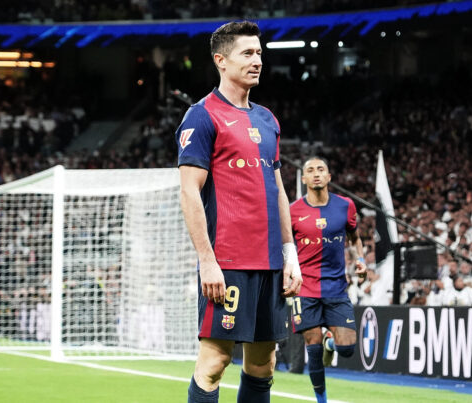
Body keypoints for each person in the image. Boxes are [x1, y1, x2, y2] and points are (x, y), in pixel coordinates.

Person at [176, 21, 302, 403]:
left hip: (269, 262)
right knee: (215, 361)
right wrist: (207, 261)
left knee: (263, 363)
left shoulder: (268, 120)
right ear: (221, 60)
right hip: (228, 261)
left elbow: (278, 190)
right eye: (247, 53)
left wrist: (290, 253)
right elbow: (189, 192)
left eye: (260, 53)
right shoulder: (202, 115)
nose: (257, 60)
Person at [288, 157, 364, 403]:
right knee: (313, 344)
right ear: (304, 179)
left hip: (336, 288)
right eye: (310, 171)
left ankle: (333, 345)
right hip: (305, 287)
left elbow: (354, 237)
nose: (316, 174)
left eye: (321, 169)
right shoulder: (292, 211)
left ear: (329, 177)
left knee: (348, 348)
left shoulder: (345, 206)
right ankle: (321, 399)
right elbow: (285, 247)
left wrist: (360, 259)